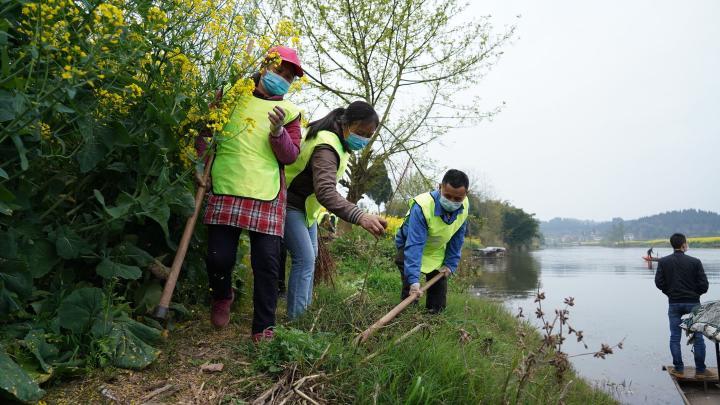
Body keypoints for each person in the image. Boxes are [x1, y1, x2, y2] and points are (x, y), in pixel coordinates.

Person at [201, 46, 304, 341]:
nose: (282, 79)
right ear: (263, 68)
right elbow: (206, 134)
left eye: (288, 76)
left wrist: (277, 132)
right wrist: (200, 165)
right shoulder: (230, 99)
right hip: (226, 186)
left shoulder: (290, 113)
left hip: (266, 194)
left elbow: (290, 156)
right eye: (278, 71)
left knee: (268, 264)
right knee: (218, 258)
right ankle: (222, 295)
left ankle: (263, 327)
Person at [283, 101, 387, 319]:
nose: (364, 139)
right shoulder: (326, 147)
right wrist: (360, 216)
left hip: (305, 208)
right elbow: (325, 192)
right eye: (362, 133)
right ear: (348, 123)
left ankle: (303, 313)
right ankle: (297, 321)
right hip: (288, 202)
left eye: (369, 136)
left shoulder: (337, 139)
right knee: (305, 259)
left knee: (310, 259)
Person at [394, 169, 469, 313]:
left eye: (457, 199)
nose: (452, 202)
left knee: (438, 292)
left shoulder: (464, 207)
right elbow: (414, 245)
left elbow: (457, 237)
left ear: (466, 194)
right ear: (439, 187)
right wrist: (414, 281)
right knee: (410, 288)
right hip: (410, 245)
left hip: (435, 248)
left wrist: (450, 263)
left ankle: (433, 319)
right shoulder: (422, 207)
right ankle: (408, 317)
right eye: (447, 196)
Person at [654, 233, 714, 378]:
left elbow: (659, 283)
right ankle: (700, 371)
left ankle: (679, 369)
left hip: (674, 303)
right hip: (693, 303)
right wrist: (695, 294)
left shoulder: (663, 262)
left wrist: (669, 292)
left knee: (675, 337)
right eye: (686, 242)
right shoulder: (695, 262)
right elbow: (704, 285)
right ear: (683, 245)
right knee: (698, 337)